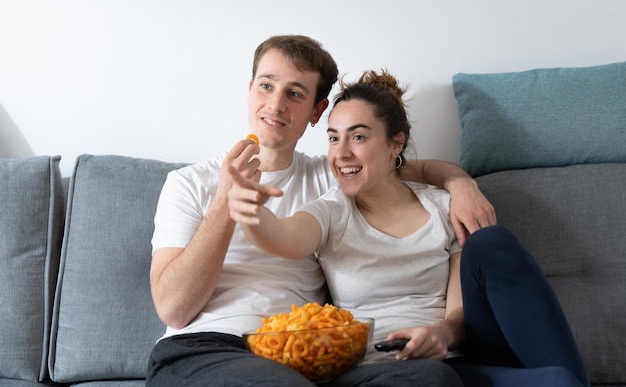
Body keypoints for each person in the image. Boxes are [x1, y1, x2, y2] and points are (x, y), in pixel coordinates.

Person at [146, 35, 495, 387]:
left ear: (316, 111)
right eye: (266, 86)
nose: (276, 104)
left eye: (295, 94)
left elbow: (399, 169)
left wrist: (461, 183)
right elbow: (173, 310)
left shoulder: (335, 176)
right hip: (206, 348)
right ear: (250, 89)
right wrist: (225, 205)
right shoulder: (187, 183)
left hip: (303, 356)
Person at [228, 68, 590, 387]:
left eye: (358, 136)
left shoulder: (443, 206)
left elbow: (459, 311)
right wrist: (251, 213)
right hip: (380, 371)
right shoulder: (331, 211)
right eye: (334, 137)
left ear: (395, 144)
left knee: (555, 374)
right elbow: (285, 239)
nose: (341, 154)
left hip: (451, 362)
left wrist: (441, 335)